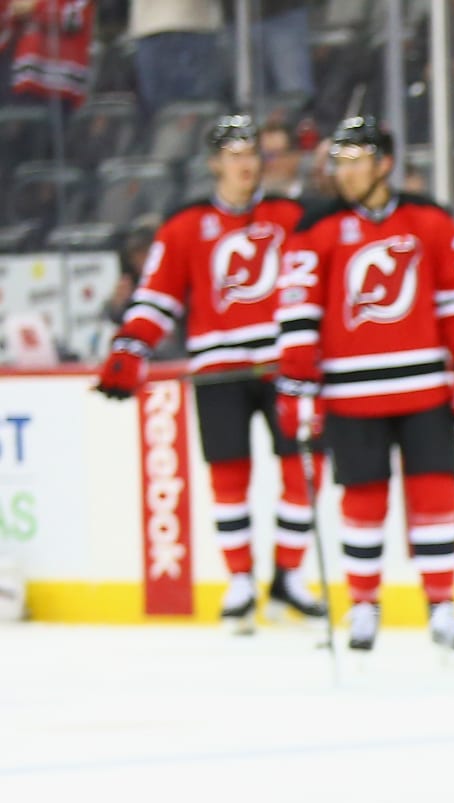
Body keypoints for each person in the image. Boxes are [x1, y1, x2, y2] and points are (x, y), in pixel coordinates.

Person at [96, 115, 326, 632]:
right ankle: (241, 581)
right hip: (219, 368)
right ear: (215, 163)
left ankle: (287, 577)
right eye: (236, 155)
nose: (247, 165)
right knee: (229, 478)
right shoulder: (184, 225)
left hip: (284, 366)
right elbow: (157, 295)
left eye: (253, 155)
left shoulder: (294, 216)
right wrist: (132, 346)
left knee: (303, 472)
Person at [274, 116, 454, 654]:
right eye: (338, 162)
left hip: (425, 390)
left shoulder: (431, 221)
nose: (343, 173)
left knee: (434, 497)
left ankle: (442, 607)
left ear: (384, 163)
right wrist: (299, 379)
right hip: (351, 393)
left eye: (354, 161)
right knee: (363, 502)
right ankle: (364, 607)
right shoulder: (316, 229)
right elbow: (299, 308)